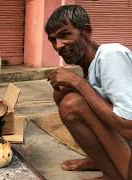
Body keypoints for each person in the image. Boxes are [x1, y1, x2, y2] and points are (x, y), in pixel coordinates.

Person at [45, 4, 132, 180]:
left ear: (86, 31)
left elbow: (129, 127)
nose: (59, 45)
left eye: (65, 35)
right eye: (53, 40)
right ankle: (100, 162)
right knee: (68, 98)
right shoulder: (91, 66)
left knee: (73, 104)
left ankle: (113, 175)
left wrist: (78, 83)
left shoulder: (110, 55)